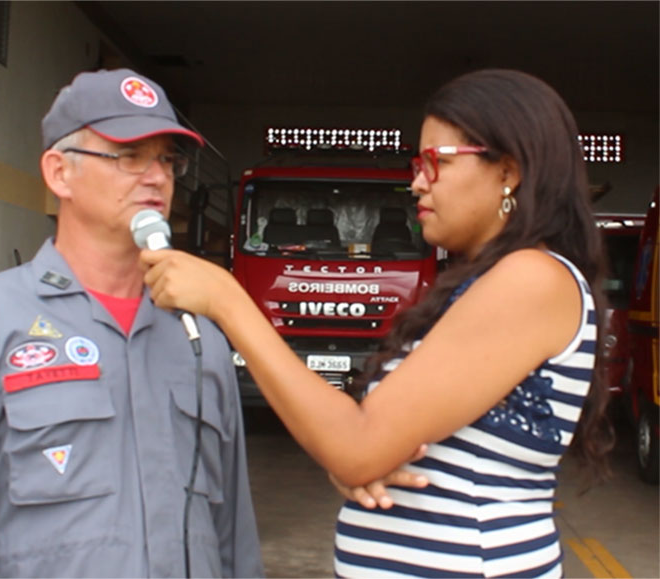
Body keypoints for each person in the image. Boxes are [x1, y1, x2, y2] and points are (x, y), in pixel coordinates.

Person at [140, 69, 613, 577]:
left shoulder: (529, 279)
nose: (417, 183)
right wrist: (359, 460)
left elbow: (357, 446)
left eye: (435, 162)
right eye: (417, 163)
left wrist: (229, 302)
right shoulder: (483, 284)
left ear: (509, 171)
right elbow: (368, 446)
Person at [0, 68, 264, 578]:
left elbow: (233, 539)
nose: (156, 177)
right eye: (129, 156)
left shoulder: (200, 339)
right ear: (59, 172)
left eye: (168, 160)